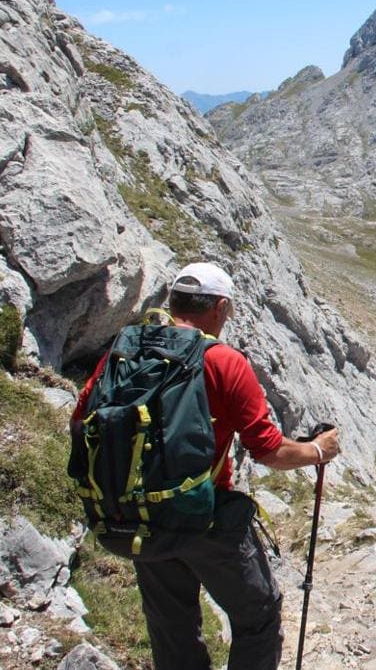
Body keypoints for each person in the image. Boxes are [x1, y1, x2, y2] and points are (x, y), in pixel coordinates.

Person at [72, 262, 341, 670]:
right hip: (204, 517)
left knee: (172, 625)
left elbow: (80, 421)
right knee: (258, 615)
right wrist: (318, 451)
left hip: (138, 514)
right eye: (227, 310)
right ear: (218, 307)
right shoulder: (223, 361)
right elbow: (268, 451)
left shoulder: (126, 350)